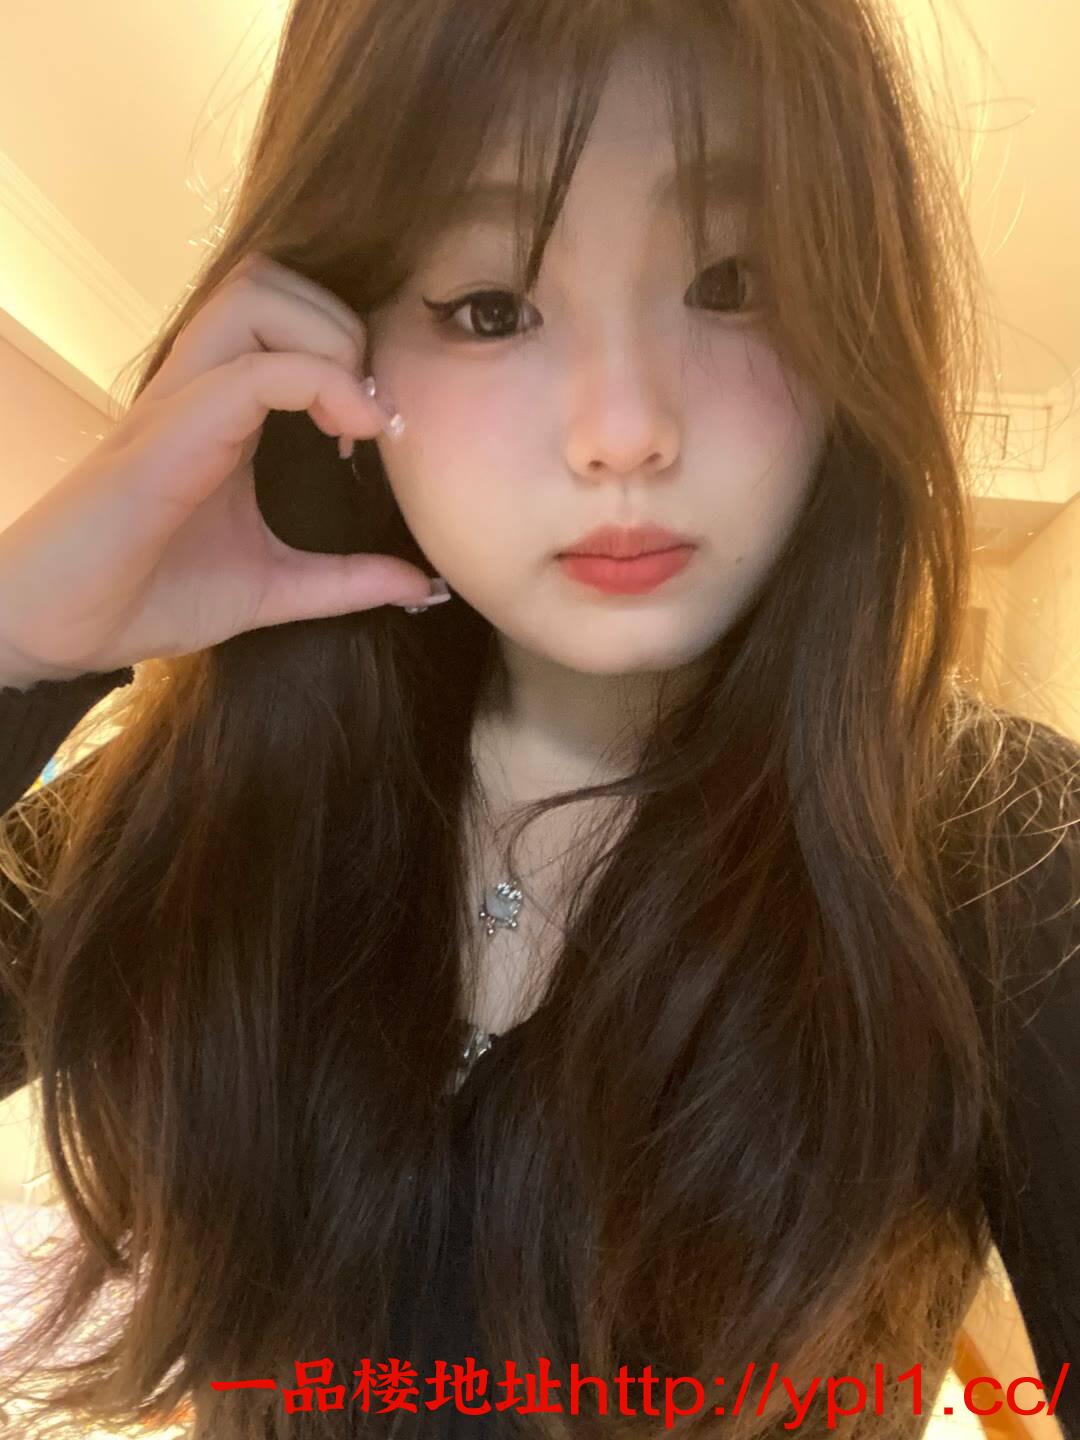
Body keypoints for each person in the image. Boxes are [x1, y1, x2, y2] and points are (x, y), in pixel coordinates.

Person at [0, 2, 1077, 1438]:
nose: (624, 429)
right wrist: (19, 644)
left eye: (734, 281)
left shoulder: (997, 851)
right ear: (339, 356)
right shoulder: (199, 798)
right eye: (490, 307)